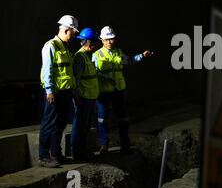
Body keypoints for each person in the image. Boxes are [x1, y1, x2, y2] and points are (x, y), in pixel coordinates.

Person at [93, 26, 153, 154]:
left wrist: (142, 55)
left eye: (112, 39)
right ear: (102, 40)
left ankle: (125, 144)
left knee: (123, 118)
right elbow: (94, 72)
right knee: (102, 119)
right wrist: (106, 79)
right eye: (107, 39)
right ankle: (104, 144)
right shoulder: (97, 55)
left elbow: (130, 61)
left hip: (118, 91)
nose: (109, 42)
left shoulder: (119, 52)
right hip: (103, 92)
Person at [39, 15, 79, 168]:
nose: (74, 36)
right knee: (49, 123)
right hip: (54, 92)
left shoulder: (65, 47)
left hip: (65, 92)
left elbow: (67, 72)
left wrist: (73, 91)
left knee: (60, 123)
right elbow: (47, 70)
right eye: (73, 32)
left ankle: (56, 154)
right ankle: (43, 156)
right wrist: (49, 90)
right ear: (66, 30)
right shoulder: (51, 46)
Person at [71, 28, 100, 162]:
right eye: (96, 43)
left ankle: (83, 152)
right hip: (83, 98)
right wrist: (77, 98)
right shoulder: (80, 57)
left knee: (86, 126)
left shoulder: (88, 56)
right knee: (80, 127)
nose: (97, 46)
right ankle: (77, 154)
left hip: (90, 97)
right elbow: (75, 80)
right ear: (90, 43)